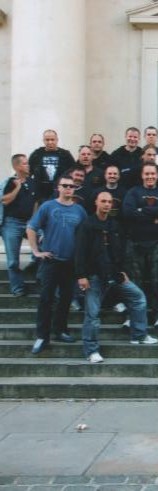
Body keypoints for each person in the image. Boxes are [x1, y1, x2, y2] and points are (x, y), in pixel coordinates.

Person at [76, 192, 158, 363]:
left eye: (109, 202)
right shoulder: (87, 224)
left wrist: (122, 271)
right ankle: (91, 351)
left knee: (138, 297)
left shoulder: (114, 225)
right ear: (96, 202)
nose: (107, 204)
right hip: (94, 276)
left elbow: (119, 251)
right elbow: (79, 252)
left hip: (114, 274)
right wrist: (81, 275)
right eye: (103, 201)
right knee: (92, 314)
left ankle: (139, 335)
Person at [27, 174, 88, 354]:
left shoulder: (79, 211)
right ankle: (42, 336)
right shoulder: (48, 206)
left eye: (72, 186)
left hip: (70, 262)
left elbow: (86, 235)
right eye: (65, 185)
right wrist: (36, 251)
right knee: (46, 299)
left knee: (66, 299)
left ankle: (60, 330)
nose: (69, 188)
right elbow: (31, 227)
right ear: (58, 187)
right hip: (51, 261)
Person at [122, 163, 158, 328]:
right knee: (134, 282)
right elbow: (127, 212)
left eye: (153, 174)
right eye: (147, 174)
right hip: (135, 242)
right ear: (142, 175)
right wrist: (154, 217)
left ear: (157, 176)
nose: (150, 177)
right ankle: (132, 316)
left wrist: (141, 210)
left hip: (157, 243)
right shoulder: (133, 192)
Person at [1, 154, 37, 296]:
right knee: (12, 261)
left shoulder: (33, 182)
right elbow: (5, 201)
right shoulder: (10, 182)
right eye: (24, 163)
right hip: (12, 224)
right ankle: (17, 288)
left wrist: (34, 220)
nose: (28, 165)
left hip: (29, 222)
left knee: (43, 245)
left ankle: (38, 276)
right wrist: (17, 187)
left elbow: (35, 202)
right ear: (16, 166)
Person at [29, 129, 75, 203]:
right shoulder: (37, 154)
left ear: (57, 140)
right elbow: (28, 172)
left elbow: (73, 172)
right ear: (43, 140)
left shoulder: (65, 155)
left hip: (60, 193)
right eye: (47, 140)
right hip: (41, 194)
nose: (50, 142)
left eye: (52, 139)